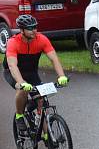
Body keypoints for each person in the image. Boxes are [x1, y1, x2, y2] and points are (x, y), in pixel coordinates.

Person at [3, 14, 69, 142]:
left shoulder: (42, 39)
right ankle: (19, 115)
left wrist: (61, 76)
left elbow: (54, 59)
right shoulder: (13, 42)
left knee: (41, 100)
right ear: (21, 30)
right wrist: (21, 82)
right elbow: (12, 65)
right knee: (22, 89)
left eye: (35, 27)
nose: (34, 30)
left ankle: (46, 135)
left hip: (31, 73)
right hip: (13, 72)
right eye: (30, 28)